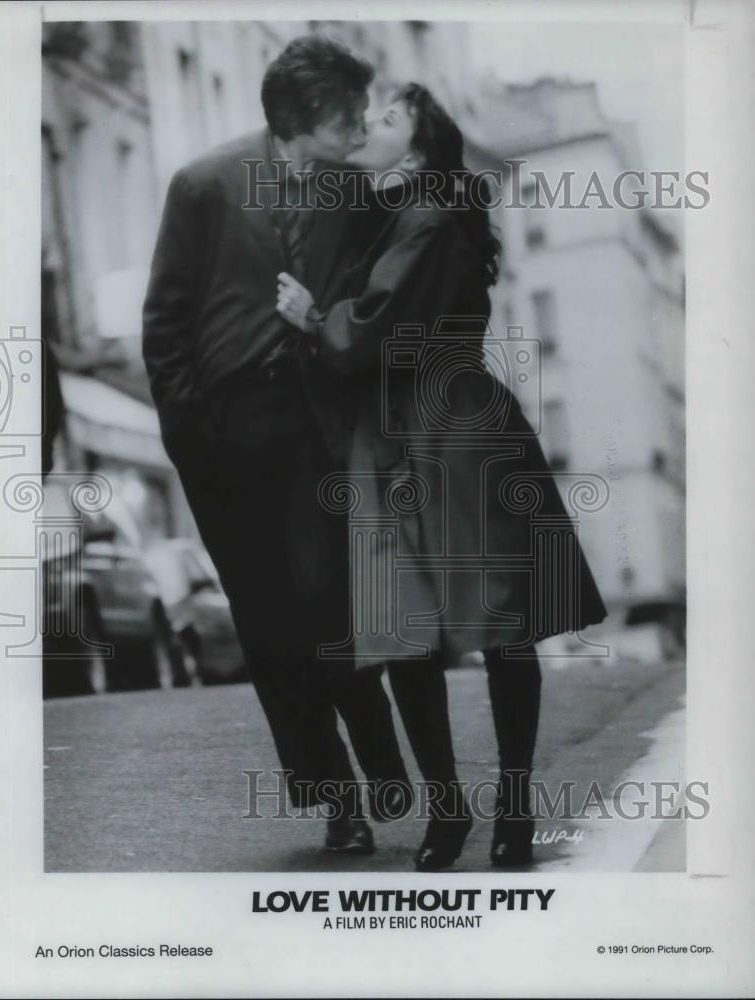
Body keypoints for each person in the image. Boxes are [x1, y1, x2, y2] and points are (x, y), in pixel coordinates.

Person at [276, 82, 608, 870]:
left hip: (440, 425)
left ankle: (476, 813)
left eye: (385, 119)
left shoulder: (425, 216)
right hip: (416, 426)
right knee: (436, 632)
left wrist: (310, 318)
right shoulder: (397, 214)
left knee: (467, 630)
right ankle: (487, 815)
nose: (367, 125)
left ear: (418, 149)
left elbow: (367, 331)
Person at [142, 36, 412, 856]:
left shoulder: (360, 194)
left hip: (320, 431)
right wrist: (191, 432)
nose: (363, 124)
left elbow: (383, 306)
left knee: (330, 605)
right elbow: (165, 322)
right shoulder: (202, 185)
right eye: (350, 113)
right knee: (269, 627)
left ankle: (380, 759)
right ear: (309, 117)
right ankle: (337, 801)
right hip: (229, 435)